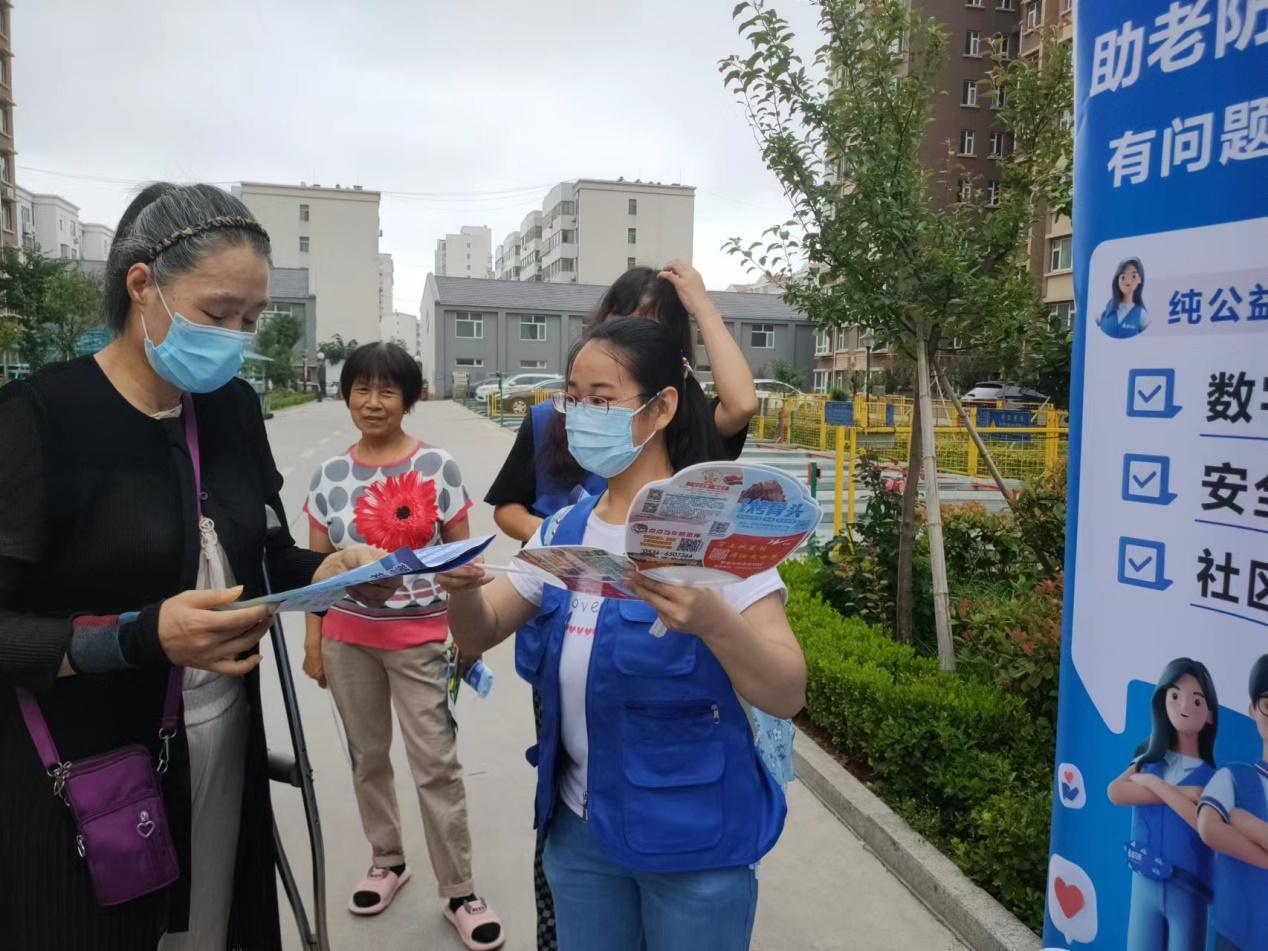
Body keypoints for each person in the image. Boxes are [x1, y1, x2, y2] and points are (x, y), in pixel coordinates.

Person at [0, 182, 394, 950]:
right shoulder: (38, 420)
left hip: (218, 746)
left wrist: (330, 571)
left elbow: (262, 555)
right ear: (141, 285)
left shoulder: (230, 410)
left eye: (251, 319)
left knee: (209, 928)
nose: (236, 338)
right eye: (218, 314)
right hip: (84, 772)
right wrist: (141, 636)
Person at [440, 318, 805, 951]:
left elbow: (787, 690)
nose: (581, 416)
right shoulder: (563, 529)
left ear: (661, 407)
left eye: (602, 400)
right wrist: (462, 593)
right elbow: (485, 627)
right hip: (581, 835)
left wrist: (714, 622)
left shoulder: (718, 533)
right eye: (573, 398)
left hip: (694, 846)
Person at [302, 342, 503, 950]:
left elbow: (463, 560)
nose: (373, 402)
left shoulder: (437, 467)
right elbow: (315, 570)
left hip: (421, 640)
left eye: (387, 390)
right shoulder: (329, 476)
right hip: (348, 641)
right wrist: (314, 640)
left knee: (435, 764)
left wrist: (469, 637)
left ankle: (460, 890)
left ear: (409, 399)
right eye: (361, 389)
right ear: (346, 396)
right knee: (367, 758)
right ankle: (386, 860)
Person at [485, 261, 756, 545]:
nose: (628, 334)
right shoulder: (549, 417)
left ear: (663, 408)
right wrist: (564, 536)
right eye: (619, 320)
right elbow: (508, 507)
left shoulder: (687, 418)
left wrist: (703, 307)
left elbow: (742, 405)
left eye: (647, 325)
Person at [1107, 658, 1219, 951]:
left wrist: (1155, 785)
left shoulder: (1214, 779)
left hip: (1189, 889)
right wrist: (1177, 792)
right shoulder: (1147, 760)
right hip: (1144, 882)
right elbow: (1116, 792)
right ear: (1162, 701)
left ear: (1209, 714)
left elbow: (1204, 826)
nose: (1184, 706)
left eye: (1197, 701)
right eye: (1175, 695)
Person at [1197, 654, 1268, 951]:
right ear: (1253, 709)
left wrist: (1242, 820)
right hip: (1234, 933)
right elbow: (1208, 828)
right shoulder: (1233, 776)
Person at [1097, 258, 1149, 339]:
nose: (1128, 281)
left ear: (1140, 279)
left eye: (1133, 276)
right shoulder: (1105, 308)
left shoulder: (1142, 315)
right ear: (1117, 279)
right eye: (1123, 276)